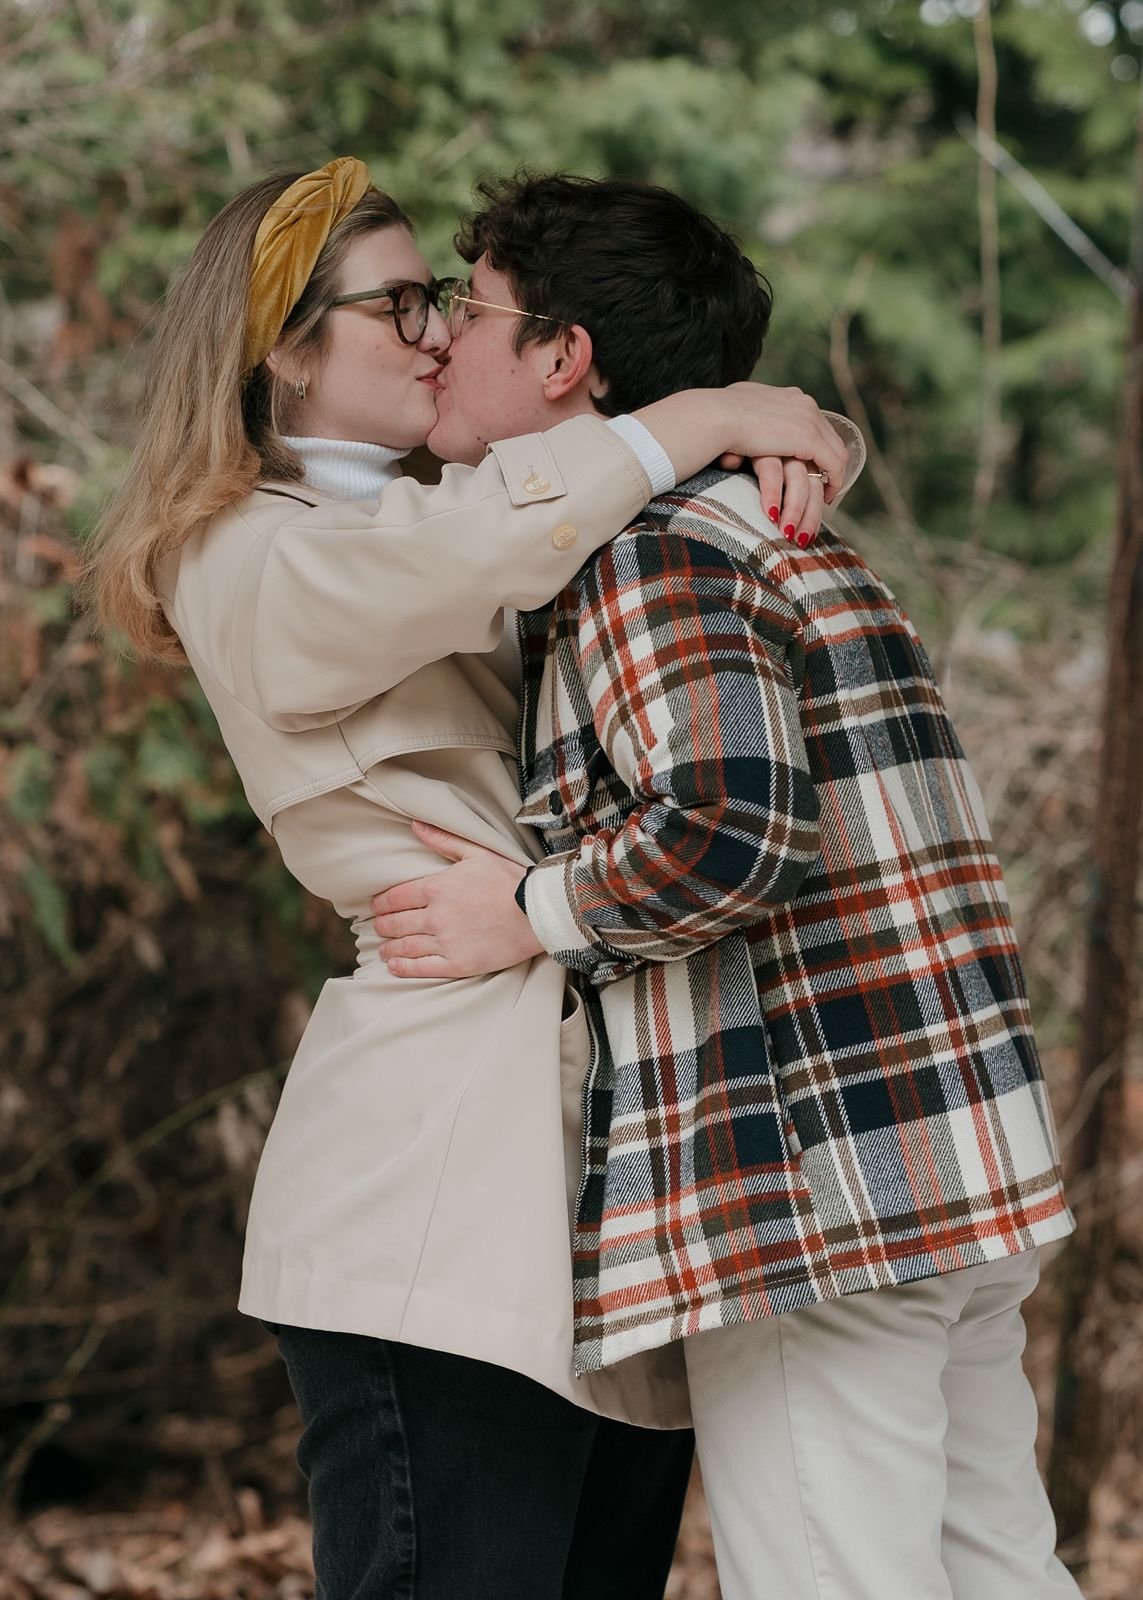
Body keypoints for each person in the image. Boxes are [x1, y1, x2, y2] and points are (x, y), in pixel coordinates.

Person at [86, 158, 855, 1599]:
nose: (441, 331)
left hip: (603, 1188)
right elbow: (500, 526)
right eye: (398, 305)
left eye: (443, 298)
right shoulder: (247, 558)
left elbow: (570, 507)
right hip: (434, 1201)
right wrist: (710, 416)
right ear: (284, 351)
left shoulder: (466, 519)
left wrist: (802, 433)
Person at [371, 172, 1080, 1600]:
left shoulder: (650, 559)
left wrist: (529, 913)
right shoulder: (768, 527)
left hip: (810, 1188)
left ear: (565, 358)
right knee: (999, 1568)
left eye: (472, 308)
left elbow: (730, 829)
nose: (443, 336)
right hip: (940, 1163)